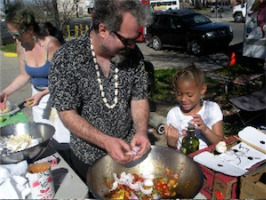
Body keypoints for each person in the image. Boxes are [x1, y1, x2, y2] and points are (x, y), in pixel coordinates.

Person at [48, 0, 151, 181]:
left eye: (134, 40)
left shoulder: (133, 54)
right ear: (103, 30)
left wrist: (141, 131)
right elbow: (67, 113)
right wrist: (105, 141)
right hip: (88, 158)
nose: (132, 46)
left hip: (129, 153)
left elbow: (139, 97)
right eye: (127, 40)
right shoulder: (67, 58)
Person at [0, 2, 70, 162]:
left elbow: (65, 79)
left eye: (16, 34)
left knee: (63, 140)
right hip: (37, 98)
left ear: (30, 30)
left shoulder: (51, 45)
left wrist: (43, 94)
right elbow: (24, 75)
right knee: (44, 141)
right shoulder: (21, 46)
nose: (13, 38)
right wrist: (5, 92)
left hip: (57, 97)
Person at [164, 64, 224, 150]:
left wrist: (205, 129)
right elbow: (172, 151)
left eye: (190, 95)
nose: (183, 99)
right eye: (179, 94)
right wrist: (171, 143)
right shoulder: (174, 114)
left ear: (202, 89)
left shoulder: (212, 109)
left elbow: (221, 143)